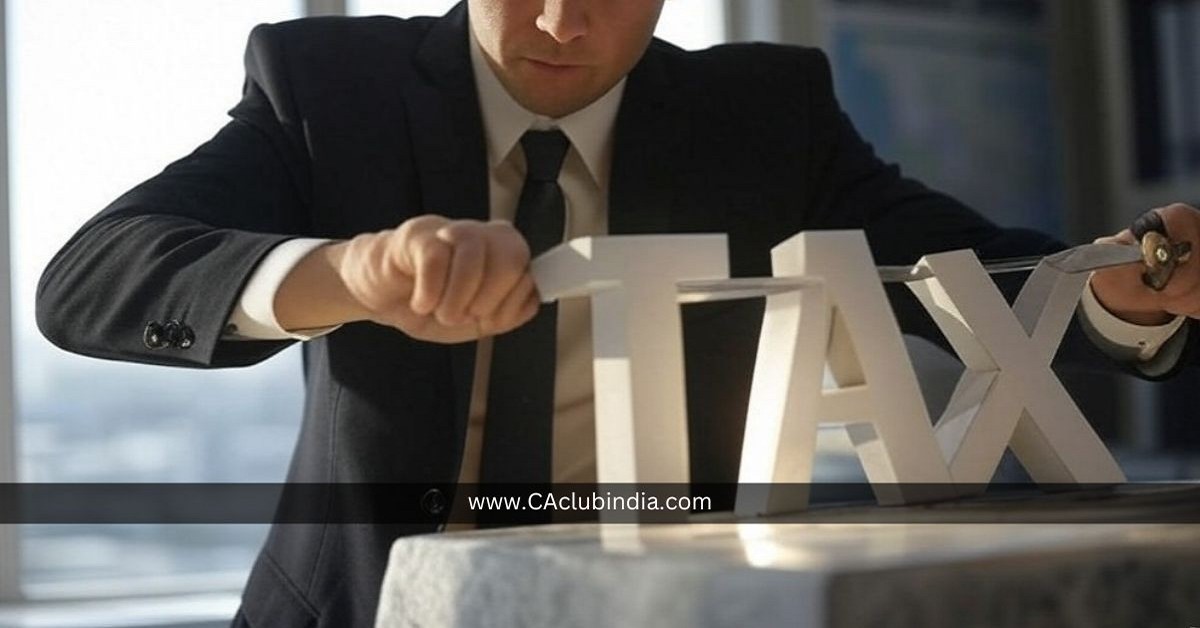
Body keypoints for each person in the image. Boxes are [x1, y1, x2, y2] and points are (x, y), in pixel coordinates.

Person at [35, 0, 1199, 625]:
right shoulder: (329, 87)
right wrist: (353, 272)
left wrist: (1119, 293)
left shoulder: (763, 113)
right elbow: (90, 276)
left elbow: (974, 277)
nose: (558, 23)